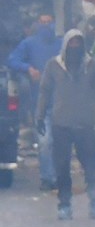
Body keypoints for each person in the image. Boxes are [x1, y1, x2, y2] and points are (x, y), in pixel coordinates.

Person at [36, 29, 95, 220]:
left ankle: (94, 202)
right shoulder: (54, 65)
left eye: (78, 43)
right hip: (61, 124)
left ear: (83, 45)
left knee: (90, 165)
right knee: (62, 167)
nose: (75, 47)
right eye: (71, 43)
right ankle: (64, 204)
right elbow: (44, 92)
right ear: (66, 45)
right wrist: (40, 117)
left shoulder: (92, 66)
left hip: (85, 124)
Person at [7, 13, 59, 190]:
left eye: (49, 22)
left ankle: (59, 176)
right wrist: (28, 68)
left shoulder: (62, 44)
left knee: (59, 143)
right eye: (42, 22)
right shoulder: (29, 44)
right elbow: (12, 60)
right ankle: (47, 178)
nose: (46, 26)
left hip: (63, 103)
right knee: (44, 142)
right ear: (37, 24)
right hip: (40, 104)